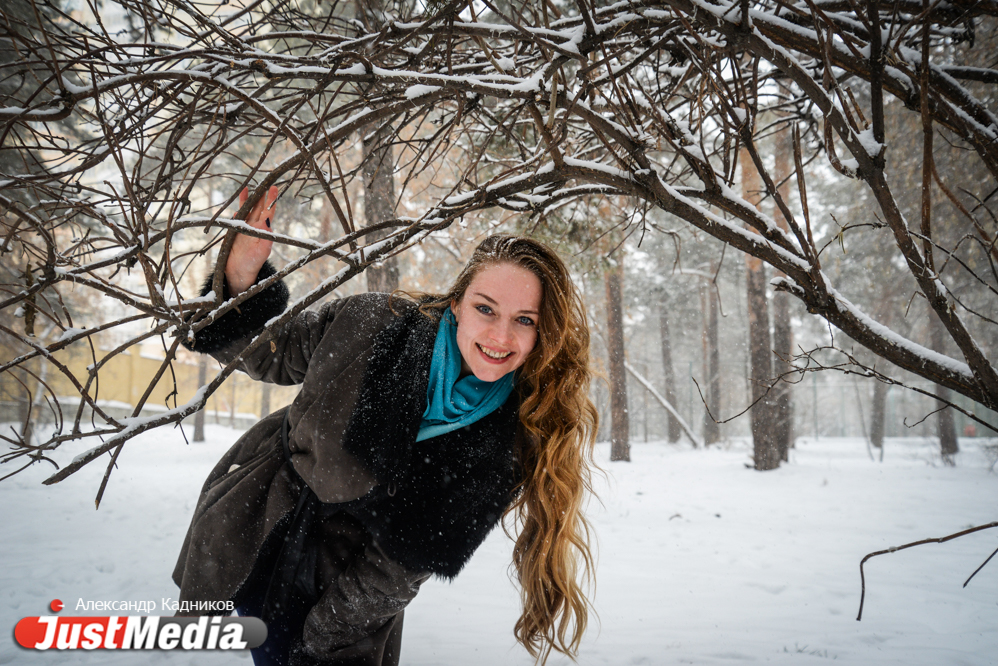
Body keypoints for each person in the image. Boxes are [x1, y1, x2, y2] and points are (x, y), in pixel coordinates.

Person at [173, 186, 598, 666]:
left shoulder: (511, 437)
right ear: (456, 303)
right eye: (485, 308)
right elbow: (273, 354)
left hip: (350, 595)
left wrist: (319, 638)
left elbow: (398, 568)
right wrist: (241, 272)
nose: (501, 336)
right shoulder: (375, 325)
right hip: (260, 527)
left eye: (525, 319)